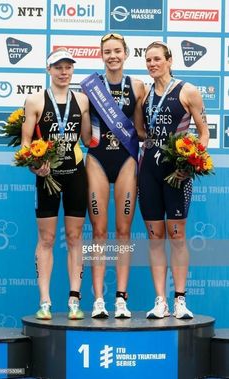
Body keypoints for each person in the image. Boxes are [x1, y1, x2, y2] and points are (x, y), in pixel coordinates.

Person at [138, 41, 209, 319]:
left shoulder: (187, 90)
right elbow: (141, 132)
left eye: (157, 59)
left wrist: (191, 163)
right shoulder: (144, 94)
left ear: (169, 60)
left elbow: (203, 134)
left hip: (176, 172)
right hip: (149, 170)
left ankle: (180, 300)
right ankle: (160, 301)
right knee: (155, 237)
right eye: (148, 60)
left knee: (177, 236)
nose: (152, 64)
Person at [21, 48, 91, 320]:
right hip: (46, 176)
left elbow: (86, 139)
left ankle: (74, 299)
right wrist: (35, 164)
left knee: (75, 237)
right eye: (58, 67)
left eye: (68, 67)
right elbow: (26, 143)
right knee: (47, 238)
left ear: (72, 70)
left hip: (75, 173)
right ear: (48, 70)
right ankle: (45, 301)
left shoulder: (83, 100)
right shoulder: (35, 100)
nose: (64, 72)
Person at [84, 33, 145, 318]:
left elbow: (141, 130)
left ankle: (121, 298)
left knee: (123, 231)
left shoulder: (138, 85)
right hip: (97, 158)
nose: (112, 56)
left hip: (126, 161)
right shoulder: (89, 88)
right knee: (98, 231)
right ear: (101, 54)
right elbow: (85, 134)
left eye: (117, 51)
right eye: (107, 51)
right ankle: (98, 300)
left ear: (126, 53)